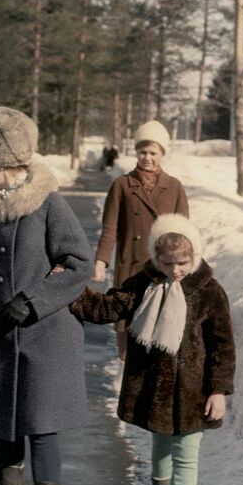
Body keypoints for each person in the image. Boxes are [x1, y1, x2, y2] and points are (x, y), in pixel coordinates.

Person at [0, 106, 92, 485]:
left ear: (5, 163)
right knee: (5, 423)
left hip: (45, 337)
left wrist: (34, 300)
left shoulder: (49, 204)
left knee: (41, 425)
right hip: (1, 336)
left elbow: (78, 263)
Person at [71, 213, 235, 485]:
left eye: (183, 263)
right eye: (168, 263)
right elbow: (107, 308)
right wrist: (70, 288)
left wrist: (218, 390)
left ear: (195, 257)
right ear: (155, 258)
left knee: (186, 454)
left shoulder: (209, 290)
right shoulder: (142, 284)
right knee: (161, 445)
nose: (175, 271)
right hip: (155, 385)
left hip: (193, 390)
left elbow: (223, 345)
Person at [93, 120, 189, 361]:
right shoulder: (122, 185)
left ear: (162, 154)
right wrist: (101, 261)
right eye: (142, 152)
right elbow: (110, 227)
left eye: (153, 153)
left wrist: (186, 267)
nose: (147, 158)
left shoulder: (175, 187)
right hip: (130, 269)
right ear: (136, 152)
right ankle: (126, 386)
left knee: (160, 335)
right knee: (130, 337)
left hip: (163, 270)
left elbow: (185, 233)